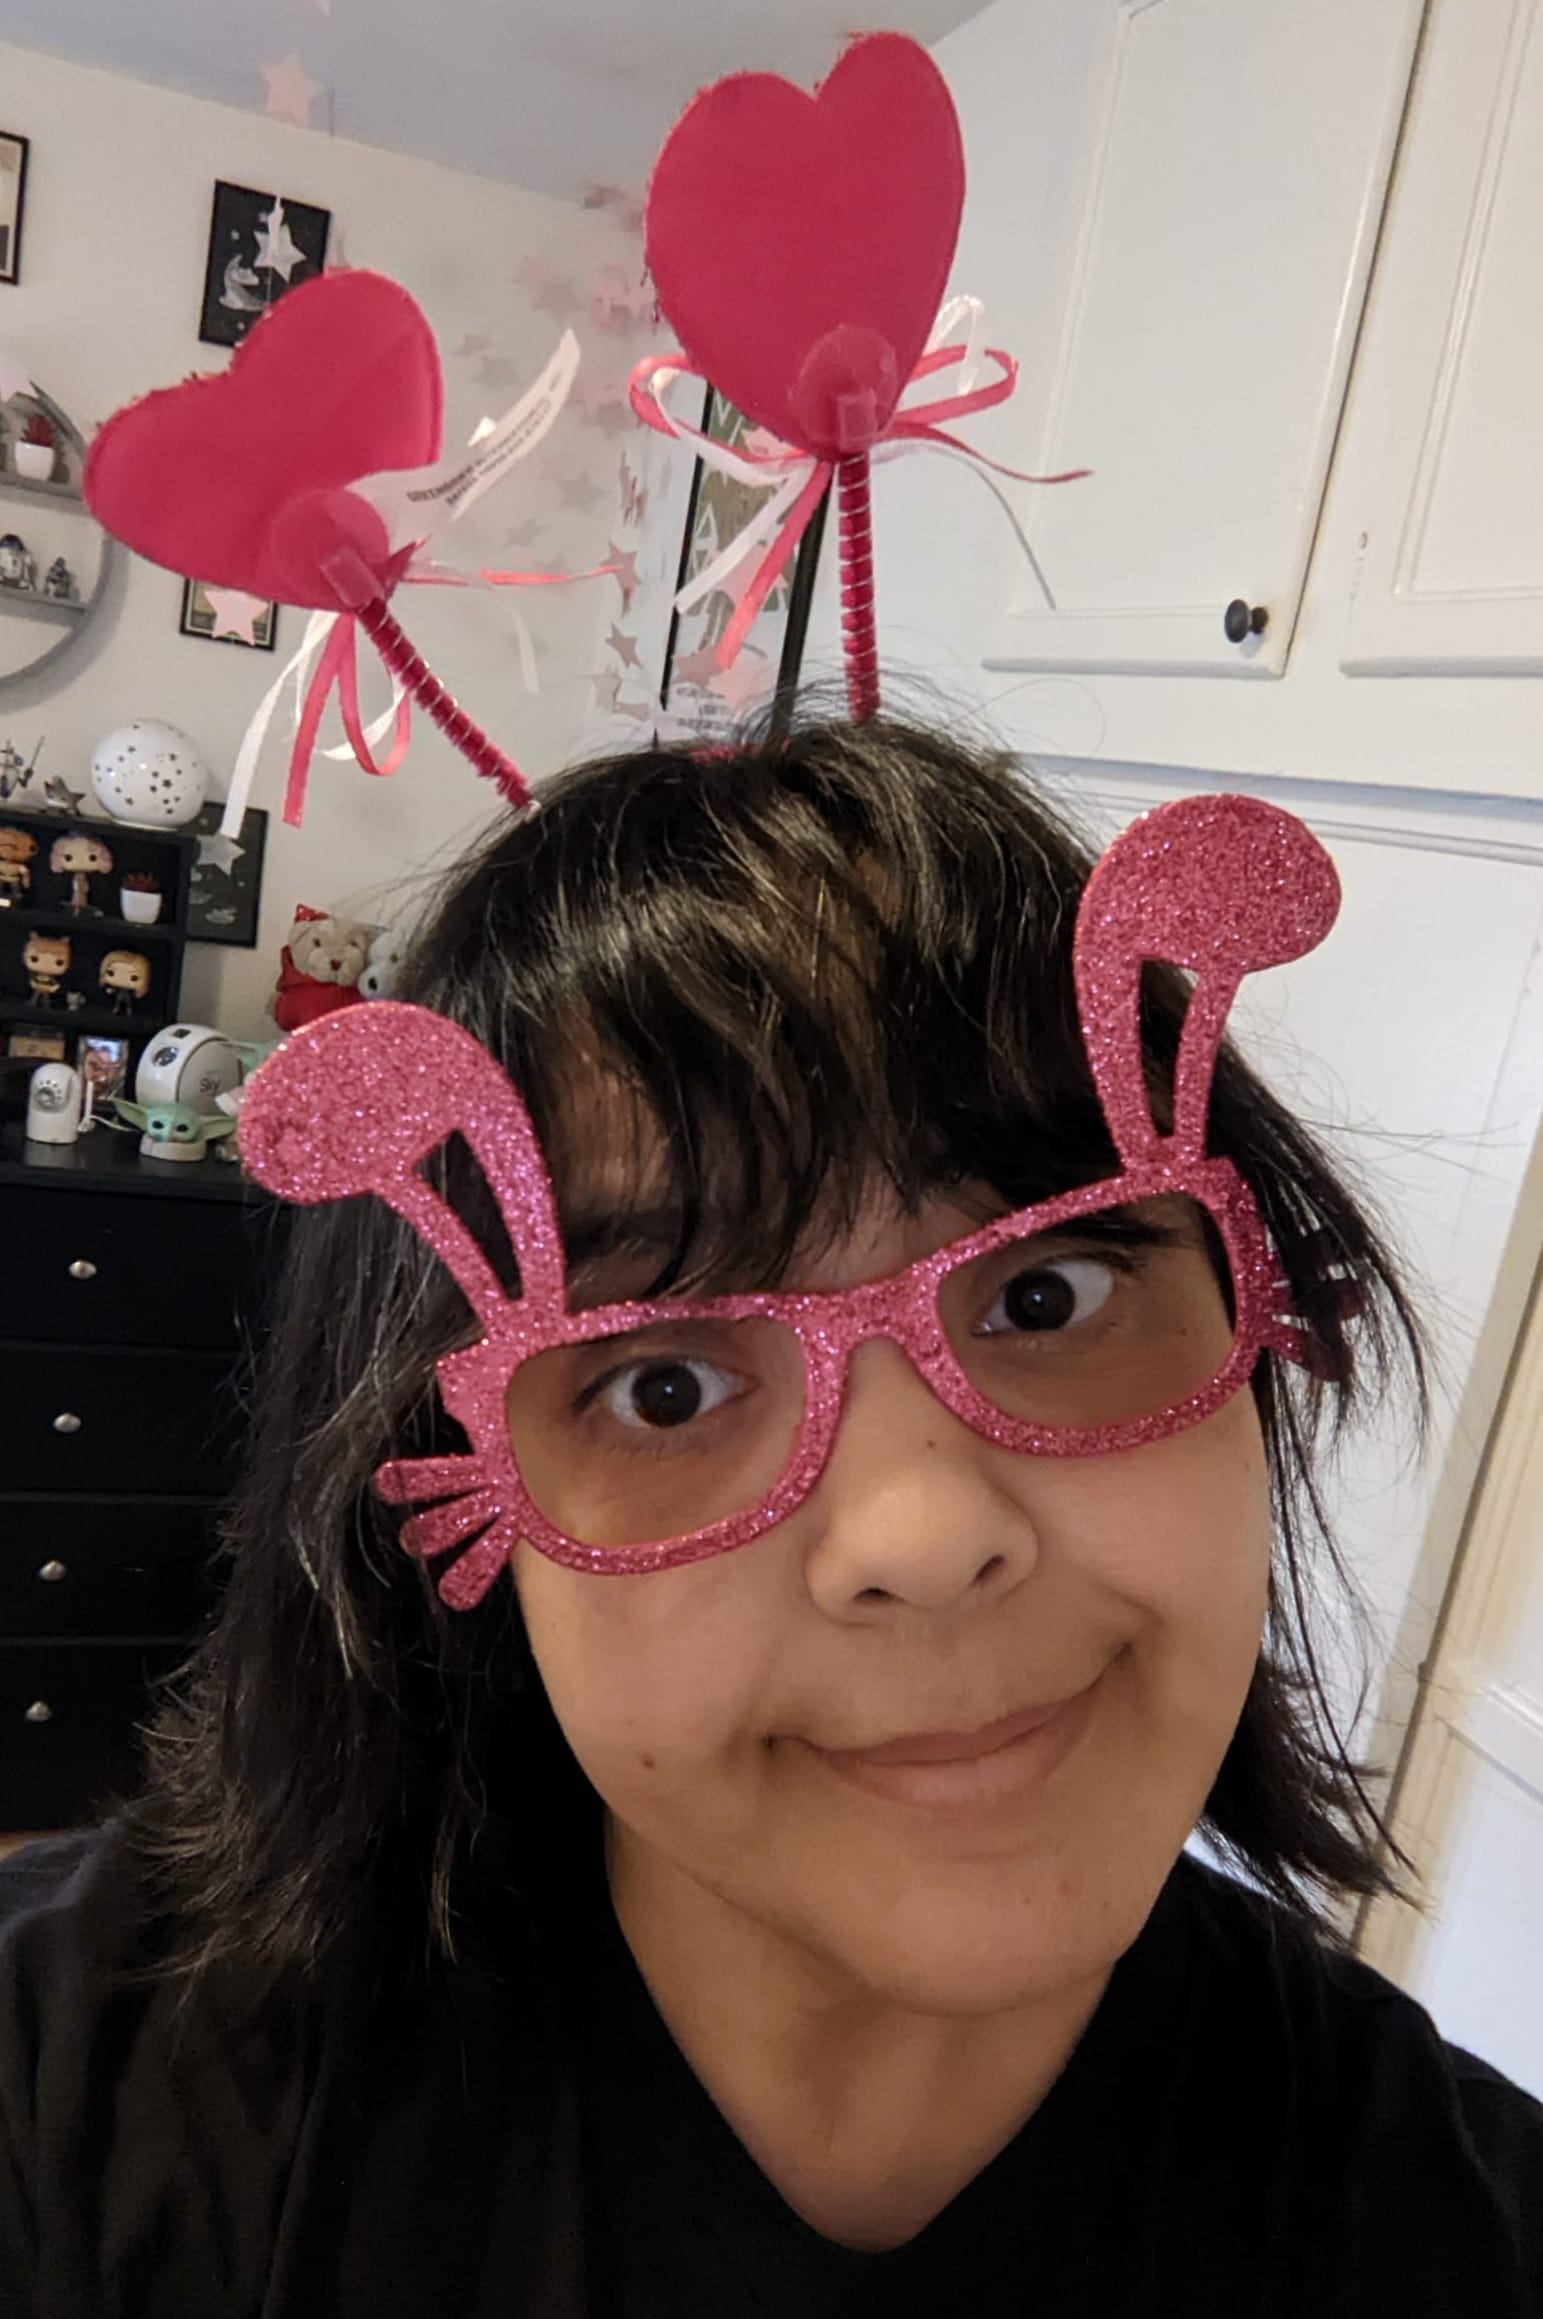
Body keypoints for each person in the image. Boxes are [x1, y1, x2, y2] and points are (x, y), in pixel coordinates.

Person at [1, 713, 1540, 2318]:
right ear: (462, 1519)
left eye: (1047, 1289)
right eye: (660, 1388)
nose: (923, 1533)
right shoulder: (82, 2117)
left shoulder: (1455, 2228)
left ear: (1265, 1324)